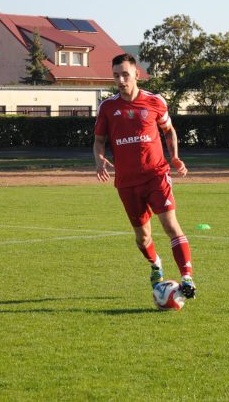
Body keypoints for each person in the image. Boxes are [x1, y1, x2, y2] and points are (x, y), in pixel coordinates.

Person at [93, 53, 196, 299]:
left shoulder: (154, 101)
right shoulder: (107, 107)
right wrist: (99, 160)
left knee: (170, 225)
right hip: (127, 182)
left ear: (136, 74)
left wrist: (175, 157)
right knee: (143, 237)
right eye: (116, 76)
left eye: (125, 75)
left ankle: (187, 278)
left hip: (156, 175)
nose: (120, 80)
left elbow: (169, 131)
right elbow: (99, 141)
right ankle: (156, 264)